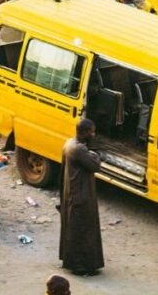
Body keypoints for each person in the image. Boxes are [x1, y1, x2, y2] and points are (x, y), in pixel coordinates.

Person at [59, 119, 104, 277]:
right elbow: (95, 165)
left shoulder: (69, 144)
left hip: (74, 192)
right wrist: (95, 155)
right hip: (80, 195)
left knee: (75, 229)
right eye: (92, 131)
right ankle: (80, 266)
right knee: (81, 231)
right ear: (85, 132)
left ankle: (74, 261)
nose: (93, 134)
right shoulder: (78, 149)